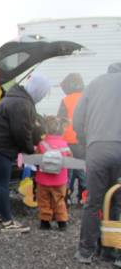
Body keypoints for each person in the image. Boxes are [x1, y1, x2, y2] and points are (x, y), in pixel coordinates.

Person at [0, 72, 51, 233]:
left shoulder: (17, 97)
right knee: (2, 182)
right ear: (38, 90)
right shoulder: (22, 104)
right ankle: (7, 222)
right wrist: (31, 149)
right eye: (43, 93)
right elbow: (21, 132)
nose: (43, 96)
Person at [73, 62, 121, 265]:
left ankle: (86, 252)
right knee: (117, 201)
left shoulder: (95, 84)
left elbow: (77, 118)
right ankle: (114, 253)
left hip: (98, 149)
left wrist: (86, 141)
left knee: (93, 202)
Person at [35, 116, 72, 231]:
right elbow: (69, 160)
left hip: (43, 179)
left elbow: (37, 159)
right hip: (59, 180)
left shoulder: (42, 144)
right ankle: (62, 222)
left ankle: (45, 222)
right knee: (59, 200)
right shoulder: (64, 145)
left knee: (44, 200)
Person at [58, 72, 87, 204]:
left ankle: (67, 197)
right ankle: (83, 196)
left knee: (67, 171)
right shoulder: (86, 98)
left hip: (67, 141)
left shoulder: (65, 100)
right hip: (82, 140)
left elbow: (60, 121)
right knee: (82, 169)